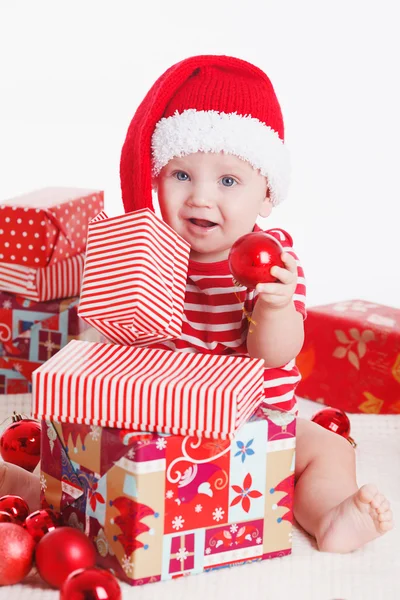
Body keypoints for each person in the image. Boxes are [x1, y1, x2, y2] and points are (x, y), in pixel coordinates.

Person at [0, 55, 393, 553]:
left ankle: (330, 513)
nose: (201, 198)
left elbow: (276, 354)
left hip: (250, 421)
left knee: (325, 449)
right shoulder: (148, 245)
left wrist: (272, 308)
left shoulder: (271, 260)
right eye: (181, 175)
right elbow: (113, 341)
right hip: (159, 416)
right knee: (86, 446)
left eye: (228, 182)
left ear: (266, 196)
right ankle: (38, 492)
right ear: (155, 178)